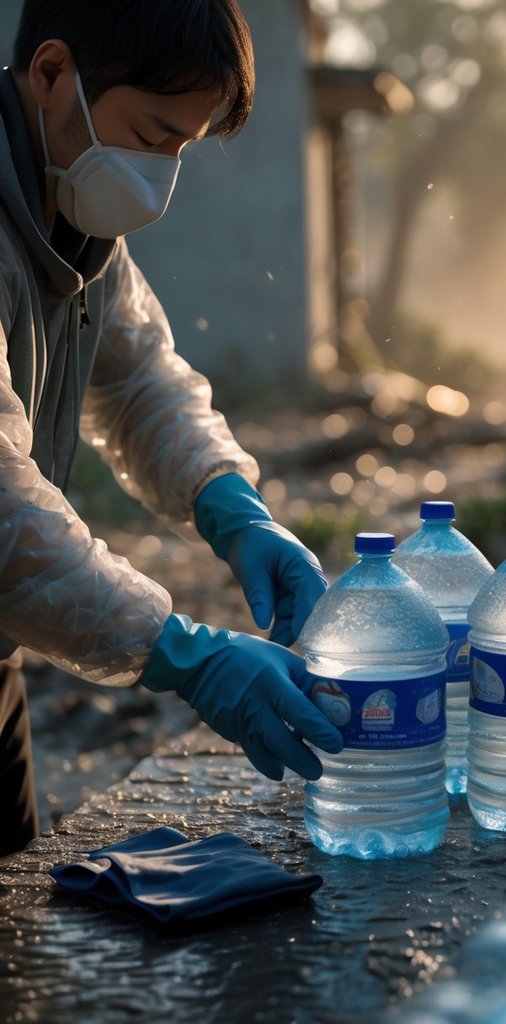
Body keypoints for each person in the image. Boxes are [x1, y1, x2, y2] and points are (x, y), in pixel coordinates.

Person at [0, 0, 346, 858]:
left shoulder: (74, 218)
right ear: (51, 74)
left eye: (180, 150)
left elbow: (140, 380)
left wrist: (233, 507)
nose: (159, 176)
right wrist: (183, 651)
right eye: (150, 135)